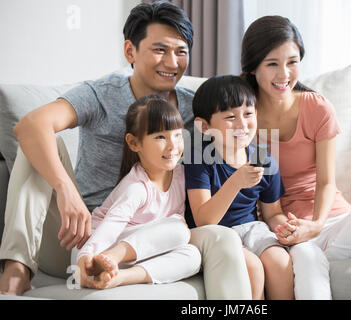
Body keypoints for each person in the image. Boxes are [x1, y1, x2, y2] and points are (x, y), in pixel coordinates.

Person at [0, 2, 251, 298]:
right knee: (41, 140)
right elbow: (30, 125)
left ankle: (123, 276)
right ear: (130, 51)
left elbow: (249, 119)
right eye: (160, 50)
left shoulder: (195, 107)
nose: (172, 63)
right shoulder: (100, 94)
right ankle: (16, 270)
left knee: (216, 238)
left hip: (153, 237)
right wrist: (66, 189)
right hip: (81, 231)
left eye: (181, 52)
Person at [240, 15, 351, 300]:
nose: (284, 74)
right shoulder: (242, 116)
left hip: (331, 219)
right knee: (305, 254)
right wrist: (290, 230)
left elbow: (327, 181)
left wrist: (315, 225)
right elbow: (261, 197)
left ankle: (320, 244)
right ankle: (317, 247)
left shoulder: (317, 108)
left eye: (292, 62)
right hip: (288, 227)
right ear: (253, 67)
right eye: (272, 64)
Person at [184, 75, 294, 300]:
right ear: (204, 126)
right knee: (252, 267)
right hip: (215, 236)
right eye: (231, 117)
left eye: (248, 114)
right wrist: (235, 182)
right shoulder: (198, 159)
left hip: (252, 228)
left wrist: (285, 228)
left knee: (280, 261)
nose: (242, 124)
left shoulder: (264, 159)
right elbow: (204, 220)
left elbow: (272, 213)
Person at [74, 95, 201, 289]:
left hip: (135, 254)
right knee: (179, 230)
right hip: (98, 247)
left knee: (192, 256)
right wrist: (87, 257)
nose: (173, 145)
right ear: (134, 143)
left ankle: (120, 277)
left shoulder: (182, 175)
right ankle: (109, 261)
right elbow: (111, 227)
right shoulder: (137, 187)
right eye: (160, 137)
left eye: (177, 135)